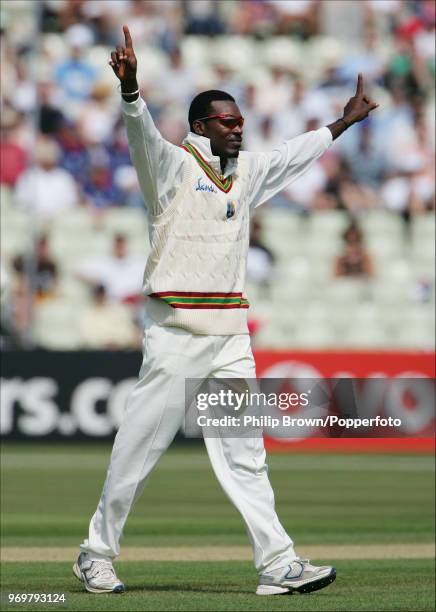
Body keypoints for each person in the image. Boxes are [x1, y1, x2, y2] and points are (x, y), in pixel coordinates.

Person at [73, 25, 378, 596]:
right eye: (228, 122)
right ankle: (95, 554)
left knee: (246, 456)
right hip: (177, 334)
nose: (238, 129)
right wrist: (132, 91)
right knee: (138, 451)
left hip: (230, 337)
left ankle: (277, 566)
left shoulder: (247, 171)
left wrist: (342, 123)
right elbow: (141, 138)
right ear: (199, 127)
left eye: (240, 121)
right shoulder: (170, 169)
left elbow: (291, 155)